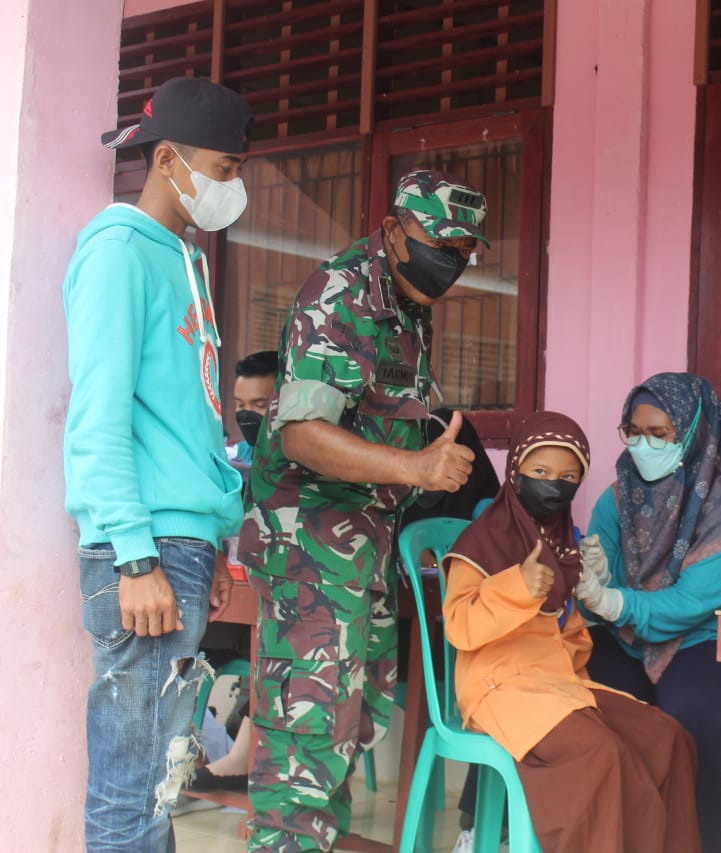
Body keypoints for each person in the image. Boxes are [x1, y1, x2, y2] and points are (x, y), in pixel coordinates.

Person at [237, 169, 485, 851]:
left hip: (362, 548)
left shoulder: (405, 303)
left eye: (465, 252)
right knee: (305, 745)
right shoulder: (341, 296)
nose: (453, 263)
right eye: (442, 244)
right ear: (394, 230)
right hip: (309, 550)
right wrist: (416, 466)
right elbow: (300, 433)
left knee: (349, 728)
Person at [63, 75, 254, 851]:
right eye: (225, 166)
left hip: (182, 545)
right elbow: (98, 416)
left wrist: (213, 539)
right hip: (141, 550)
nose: (233, 185)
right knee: (128, 792)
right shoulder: (117, 252)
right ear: (168, 158)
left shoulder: (186, 260)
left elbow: (194, 420)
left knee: (161, 781)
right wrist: (135, 555)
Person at [442, 411, 701, 853]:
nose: (553, 485)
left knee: (667, 739)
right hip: (499, 685)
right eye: (539, 472)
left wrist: (591, 594)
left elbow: (567, 628)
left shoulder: (561, 539)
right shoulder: (483, 540)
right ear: (515, 471)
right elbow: (459, 627)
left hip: (559, 684)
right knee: (599, 754)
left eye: (567, 476)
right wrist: (516, 587)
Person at [580, 371, 721, 853]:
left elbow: (693, 604)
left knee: (689, 722)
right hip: (631, 636)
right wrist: (598, 582)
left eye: (660, 434)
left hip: (712, 639)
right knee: (581, 701)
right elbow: (603, 578)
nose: (643, 445)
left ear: (694, 432)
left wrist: (615, 600)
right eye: (634, 432)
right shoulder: (619, 495)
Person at [228, 349, 279, 467]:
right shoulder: (236, 455)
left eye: (260, 405)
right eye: (240, 404)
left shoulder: (304, 460)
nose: (246, 414)